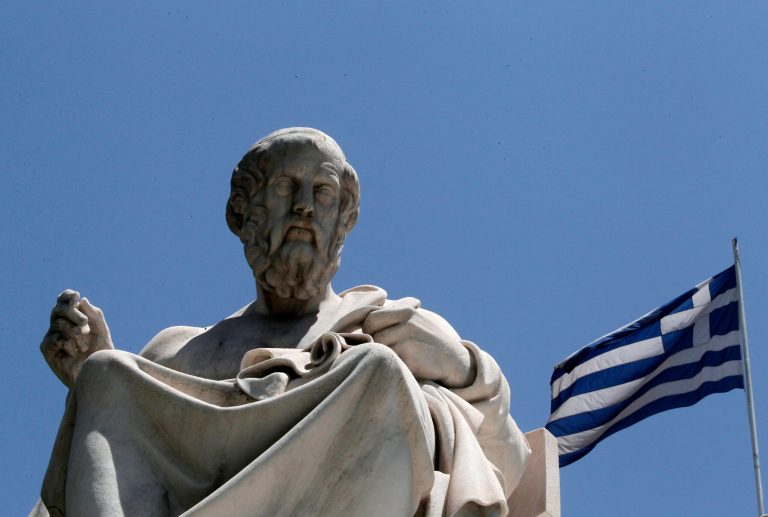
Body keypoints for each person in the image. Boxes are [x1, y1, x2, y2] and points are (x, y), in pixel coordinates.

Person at [36, 128, 530, 517]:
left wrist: (463, 369)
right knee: (106, 376)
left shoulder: (390, 324)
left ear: (343, 221)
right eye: (284, 187)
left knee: (378, 371)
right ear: (241, 212)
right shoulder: (179, 352)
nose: (304, 207)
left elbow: (506, 464)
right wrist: (91, 379)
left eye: (323, 192)